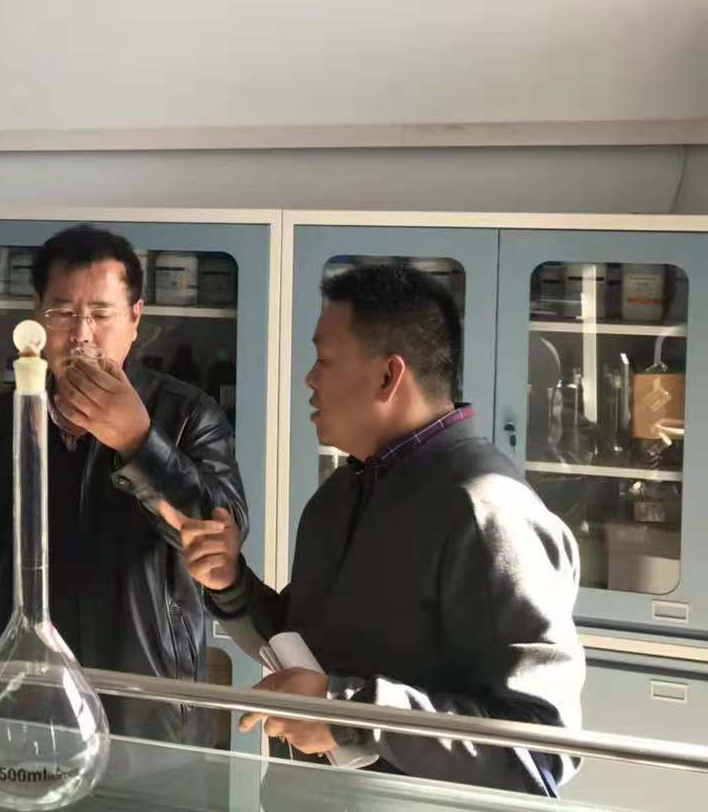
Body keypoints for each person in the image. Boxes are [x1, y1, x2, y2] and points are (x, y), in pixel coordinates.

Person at [175, 263, 583, 796]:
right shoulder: (340, 494)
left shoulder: (486, 511)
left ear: (389, 376)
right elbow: (305, 649)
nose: (309, 379)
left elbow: (539, 749)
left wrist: (349, 714)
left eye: (324, 360)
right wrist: (230, 583)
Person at [0, 225, 249, 806]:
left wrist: (139, 443)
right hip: (17, 718)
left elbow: (217, 537)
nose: (81, 334)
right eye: (62, 313)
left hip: (149, 728)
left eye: (101, 313)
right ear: (36, 315)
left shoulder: (187, 416)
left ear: (135, 318)